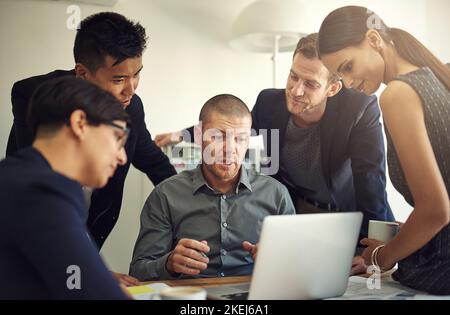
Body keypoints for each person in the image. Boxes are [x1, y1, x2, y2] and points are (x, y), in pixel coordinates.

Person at [154, 33, 394, 246]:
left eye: (310, 84)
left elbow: (371, 181)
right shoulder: (269, 103)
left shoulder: (360, 110)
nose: (296, 91)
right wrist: (182, 134)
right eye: (293, 76)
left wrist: (375, 247)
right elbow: (234, 127)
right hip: (294, 211)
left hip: (348, 216)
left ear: (332, 89)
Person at [6, 12, 177, 285]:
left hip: (86, 237)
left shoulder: (131, 106)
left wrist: (194, 202)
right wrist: (85, 273)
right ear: (83, 73)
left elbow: (152, 160)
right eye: (119, 79)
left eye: (137, 75)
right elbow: (45, 185)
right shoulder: (36, 96)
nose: (130, 90)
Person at [318, 5, 450, 294]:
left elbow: (436, 211)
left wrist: (380, 257)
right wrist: (405, 235)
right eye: (341, 77)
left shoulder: (398, 94)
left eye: (348, 67)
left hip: (439, 272)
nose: (349, 83)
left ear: (374, 39)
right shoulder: (439, 77)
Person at [129, 94, 295, 280]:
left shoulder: (276, 194)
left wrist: (277, 262)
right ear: (199, 136)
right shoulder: (166, 194)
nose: (230, 149)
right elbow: (138, 272)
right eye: (218, 137)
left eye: (240, 139)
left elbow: (296, 269)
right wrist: (168, 264)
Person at [0, 77, 130, 299]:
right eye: (118, 137)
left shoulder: (14, 175)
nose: (122, 157)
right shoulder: (41, 192)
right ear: (80, 123)